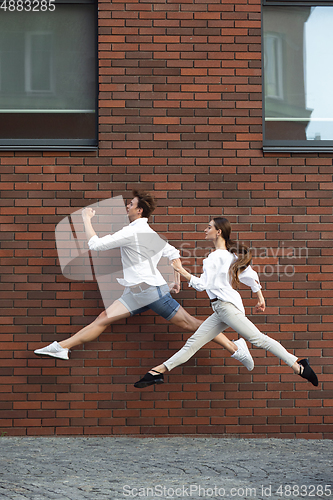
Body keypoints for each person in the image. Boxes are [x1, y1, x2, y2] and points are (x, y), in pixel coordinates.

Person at [34, 192, 253, 369]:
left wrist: (85, 219)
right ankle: (62, 347)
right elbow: (173, 252)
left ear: (139, 210)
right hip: (135, 292)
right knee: (103, 318)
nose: (127, 206)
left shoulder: (135, 232)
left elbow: (95, 245)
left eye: (130, 204)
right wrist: (175, 281)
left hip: (150, 291)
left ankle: (236, 349)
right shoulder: (148, 233)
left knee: (191, 324)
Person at [134, 217, 318, 388]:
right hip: (222, 309)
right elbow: (250, 275)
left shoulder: (213, 258)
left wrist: (181, 271)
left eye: (209, 227)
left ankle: (298, 366)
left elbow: (202, 285)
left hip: (226, 308)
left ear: (219, 232)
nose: (205, 230)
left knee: (258, 339)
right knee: (193, 343)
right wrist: (260, 297)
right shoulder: (231, 256)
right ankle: (157, 371)